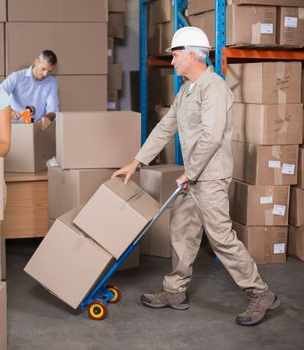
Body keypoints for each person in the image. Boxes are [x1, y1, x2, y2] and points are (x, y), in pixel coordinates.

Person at [112, 27, 280, 326]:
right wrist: (137, 161)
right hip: (194, 177)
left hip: (211, 177)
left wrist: (189, 172)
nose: (173, 62)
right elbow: (166, 127)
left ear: (192, 54)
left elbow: (212, 136)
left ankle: (260, 292)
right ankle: (175, 290)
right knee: (182, 228)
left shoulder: (213, 88)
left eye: (176, 55)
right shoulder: (187, 89)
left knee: (221, 239)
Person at [0, 50, 59, 130]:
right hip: (13, 128)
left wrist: (48, 117)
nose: (45, 74)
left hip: (37, 130)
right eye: (43, 69)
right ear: (36, 61)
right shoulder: (17, 77)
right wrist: (8, 110)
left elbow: (53, 108)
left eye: (49, 71)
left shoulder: (51, 82)